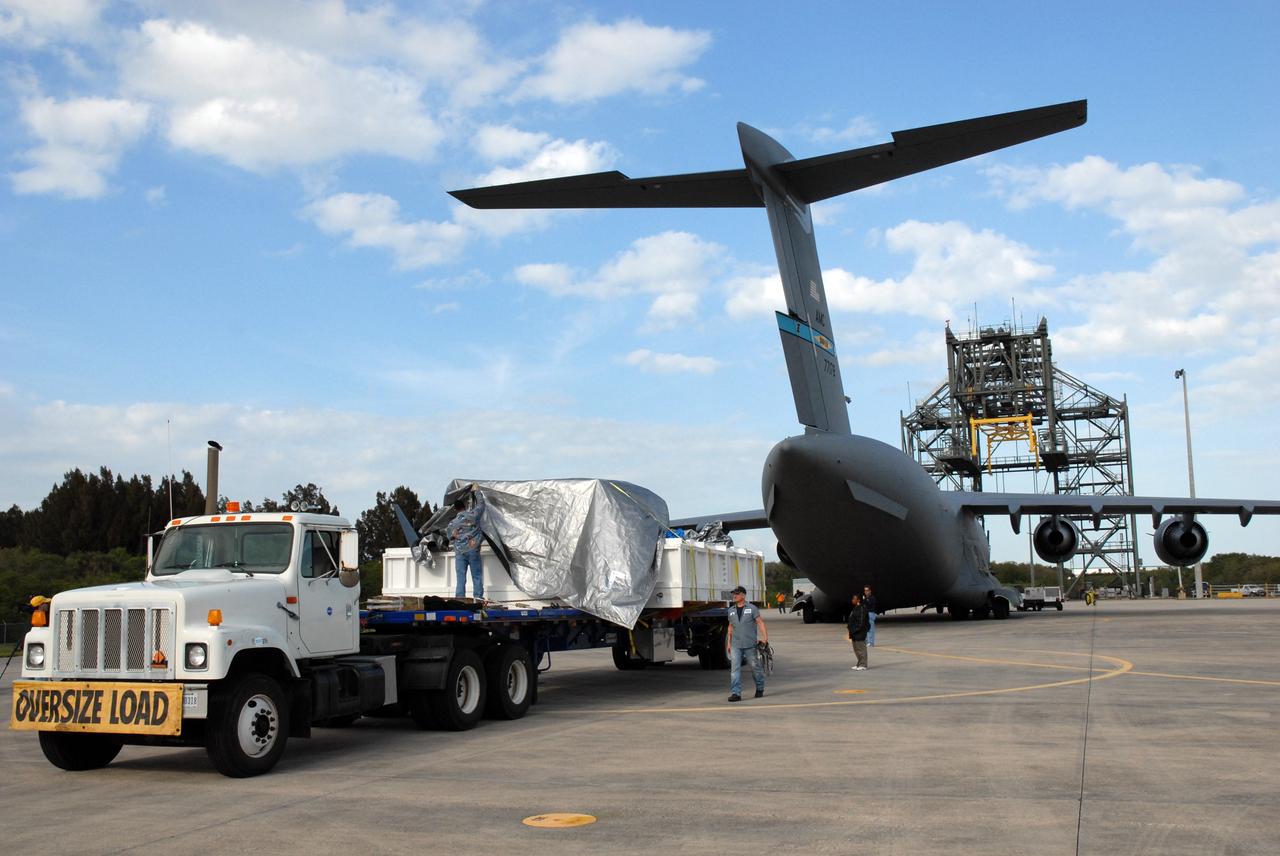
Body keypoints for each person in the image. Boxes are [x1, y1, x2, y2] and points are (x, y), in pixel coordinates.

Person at [725, 585, 768, 702]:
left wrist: (765, 638)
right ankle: (736, 693)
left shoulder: (752, 608)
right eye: (733, 594)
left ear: (743, 595)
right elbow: (730, 627)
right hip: (735, 645)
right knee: (734, 670)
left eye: (737, 594)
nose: (734, 596)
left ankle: (760, 687)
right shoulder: (731, 611)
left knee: (755, 668)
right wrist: (728, 643)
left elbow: (760, 623)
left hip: (750, 645)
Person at [446, 484, 486, 599]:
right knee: (477, 576)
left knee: (461, 578)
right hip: (473, 550)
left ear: (455, 510)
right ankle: (478, 599)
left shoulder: (452, 524)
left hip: (460, 553)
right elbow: (481, 505)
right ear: (465, 506)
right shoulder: (473, 515)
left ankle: (460, 600)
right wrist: (477, 491)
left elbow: (449, 537)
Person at [847, 593, 869, 670]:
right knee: (856, 649)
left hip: (859, 632)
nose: (852, 600)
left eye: (854, 599)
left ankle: (863, 664)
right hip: (854, 633)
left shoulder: (862, 608)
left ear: (858, 600)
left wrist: (855, 629)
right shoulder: (856, 607)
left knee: (861, 648)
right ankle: (859, 663)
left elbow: (861, 622)